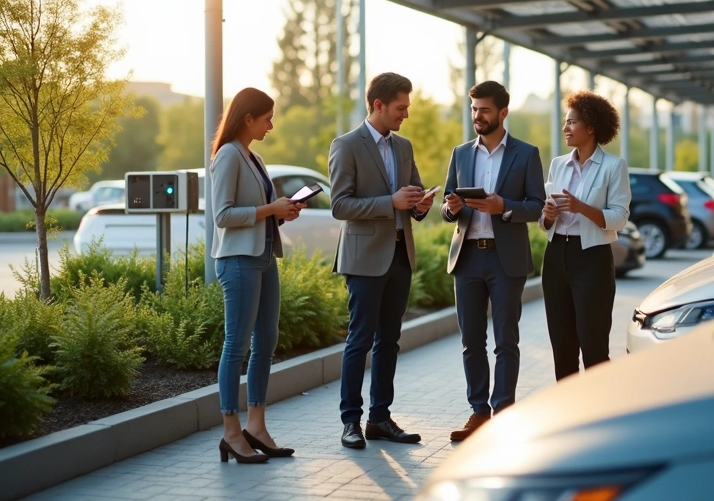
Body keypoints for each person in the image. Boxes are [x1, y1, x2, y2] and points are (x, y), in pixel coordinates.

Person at [329, 72, 437, 449]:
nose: (405, 114)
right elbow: (339, 205)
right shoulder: (346, 145)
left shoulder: (404, 146)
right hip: (363, 258)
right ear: (378, 105)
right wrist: (389, 203)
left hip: (399, 254)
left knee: (389, 339)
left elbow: (414, 197)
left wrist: (421, 205)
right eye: (400, 108)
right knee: (360, 340)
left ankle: (380, 419)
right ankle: (350, 422)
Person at [441, 81, 546, 441]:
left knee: (506, 340)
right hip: (467, 257)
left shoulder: (526, 153)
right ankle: (478, 413)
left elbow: (536, 206)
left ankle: (503, 413)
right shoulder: (461, 153)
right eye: (473, 109)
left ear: (503, 113)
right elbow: (445, 204)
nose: (477, 116)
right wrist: (451, 208)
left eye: (484, 110)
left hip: (506, 260)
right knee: (471, 340)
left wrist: (505, 208)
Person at [209, 87, 303, 464]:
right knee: (237, 346)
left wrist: (282, 212)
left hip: (264, 257)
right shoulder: (228, 155)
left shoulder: (254, 157)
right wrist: (269, 209)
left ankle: (257, 427)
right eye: (266, 118)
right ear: (247, 118)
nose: (271, 125)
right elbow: (222, 215)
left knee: (267, 341)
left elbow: (259, 210)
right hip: (238, 260)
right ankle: (232, 433)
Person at [539, 91, 631, 381]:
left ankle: (598, 412)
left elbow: (620, 217)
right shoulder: (557, 164)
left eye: (571, 122)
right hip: (555, 257)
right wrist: (548, 216)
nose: (565, 128)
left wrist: (582, 208)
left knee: (593, 345)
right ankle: (569, 416)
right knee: (562, 346)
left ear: (590, 126)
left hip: (592, 259)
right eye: (565, 122)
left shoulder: (614, 167)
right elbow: (545, 219)